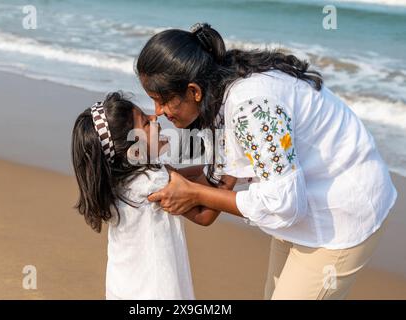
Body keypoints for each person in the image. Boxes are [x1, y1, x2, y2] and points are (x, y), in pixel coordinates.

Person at [136, 23, 397, 299]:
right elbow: (216, 183)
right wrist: (161, 179)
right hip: (305, 200)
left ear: (193, 91)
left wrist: (192, 192)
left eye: (161, 101)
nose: (158, 112)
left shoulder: (252, 108)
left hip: (342, 211)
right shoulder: (221, 93)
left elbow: (284, 204)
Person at [71, 91, 195, 299]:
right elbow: (202, 206)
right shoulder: (153, 182)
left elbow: (185, 179)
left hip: (123, 289)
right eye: (146, 122)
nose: (155, 117)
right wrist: (232, 170)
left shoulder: (124, 183)